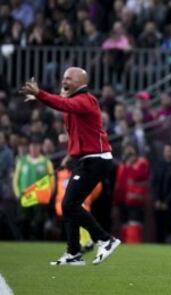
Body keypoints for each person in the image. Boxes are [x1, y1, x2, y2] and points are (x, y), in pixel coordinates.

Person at [20, 67, 121, 266]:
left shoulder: (86, 100)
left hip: (96, 159)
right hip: (86, 159)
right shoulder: (76, 103)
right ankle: (73, 253)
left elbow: (62, 104)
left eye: (68, 78)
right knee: (69, 205)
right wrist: (69, 155)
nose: (64, 80)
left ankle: (105, 239)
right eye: (63, 77)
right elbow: (77, 129)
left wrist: (40, 94)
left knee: (69, 204)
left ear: (80, 82)